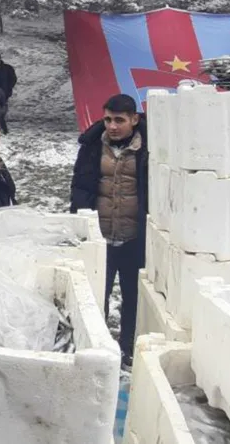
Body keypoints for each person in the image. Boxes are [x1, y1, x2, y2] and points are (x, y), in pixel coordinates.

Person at [70, 94, 148, 366]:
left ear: (134, 119)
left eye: (119, 120)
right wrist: (80, 224)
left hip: (134, 239)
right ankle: (97, 348)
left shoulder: (148, 148)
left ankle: (128, 348)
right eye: (107, 120)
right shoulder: (92, 147)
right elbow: (80, 186)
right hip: (100, 238)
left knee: (133, 299)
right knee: (94, 297)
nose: (112, 126)